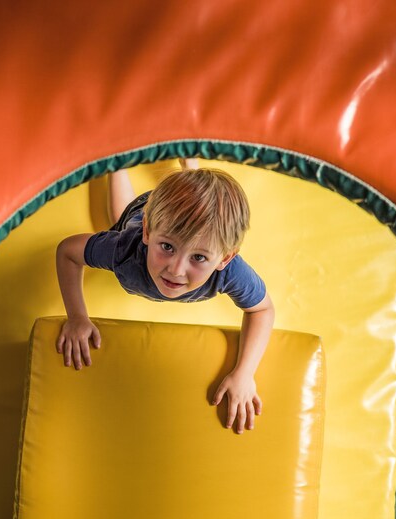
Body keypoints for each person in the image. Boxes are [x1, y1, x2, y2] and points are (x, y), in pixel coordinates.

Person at [55, 166, 275, 434]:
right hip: (144, 212)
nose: (176, 270)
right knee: (120, 216)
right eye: (167, 248)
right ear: (147, 234)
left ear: (225, 258)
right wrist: (77, 316)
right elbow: (68, 252)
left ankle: (190, 166)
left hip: (171, 219)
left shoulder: (230, 272)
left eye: (199, 257)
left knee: (188, 220)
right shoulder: (124, 250)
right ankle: (119, 164)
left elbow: (262, 310)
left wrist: (244, 373)